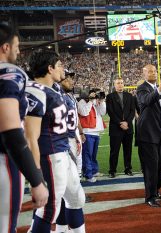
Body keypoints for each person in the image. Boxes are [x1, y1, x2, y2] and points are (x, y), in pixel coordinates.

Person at [25, 49, 86, 232]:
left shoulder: (55, 88)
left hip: (63, 151)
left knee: (76, 199)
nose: (64, 70)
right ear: (50, 68)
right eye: (59, 66)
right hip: (50, 155)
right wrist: (34, 174)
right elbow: (30, 137)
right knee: (49, 209)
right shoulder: (34, 92)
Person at [0, 23, 48, 233]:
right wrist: (36, 180)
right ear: (5, 47)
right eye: (17, 45)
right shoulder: (9, 73)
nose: (19, 51)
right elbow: (10, 132)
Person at [136, 64, 161, 207]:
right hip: (146, 134)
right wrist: (159, 89)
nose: (153, 73)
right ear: (144, 74)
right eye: (150, 72)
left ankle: (156, 190)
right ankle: (150, 196)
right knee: (150, 167)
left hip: (160, 134)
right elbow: (147, 100)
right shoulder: (142, 88)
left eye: (154, 71)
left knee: (160, 166)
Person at [54, 69, 87, 232]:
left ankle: (61, 228)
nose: (71, 81)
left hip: (71, 140)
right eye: (68, 78)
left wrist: (79, 133)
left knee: (71, 191)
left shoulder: (69, 96)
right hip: (61, 144)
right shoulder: (55, 94)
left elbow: (75, 118)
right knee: (58, 194)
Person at [106, 78, 135, 178]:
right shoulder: (110, 97)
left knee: (128, 150)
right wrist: (120, 123)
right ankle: (112, 170)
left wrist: (127, 122)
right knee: (114, 151)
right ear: (114, 85)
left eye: (122, 83)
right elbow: (110, 112)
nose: (120, 85)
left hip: (128, 128)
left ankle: (128, 169)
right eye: (118, 83)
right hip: (115, 128)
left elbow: (132, 111)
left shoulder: (130, 96)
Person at [78, 88, 106, 182]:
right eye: (95, 94)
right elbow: (84, 112)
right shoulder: (82, 101)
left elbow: (103, 112)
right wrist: (90, 100)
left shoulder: (96, 103)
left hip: (96, 132)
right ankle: (88, 174)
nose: (96, 96)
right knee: (87, 154)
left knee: (93, 154)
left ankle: (94, 171)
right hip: (87, 132)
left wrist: (101, 101)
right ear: (90, 94)